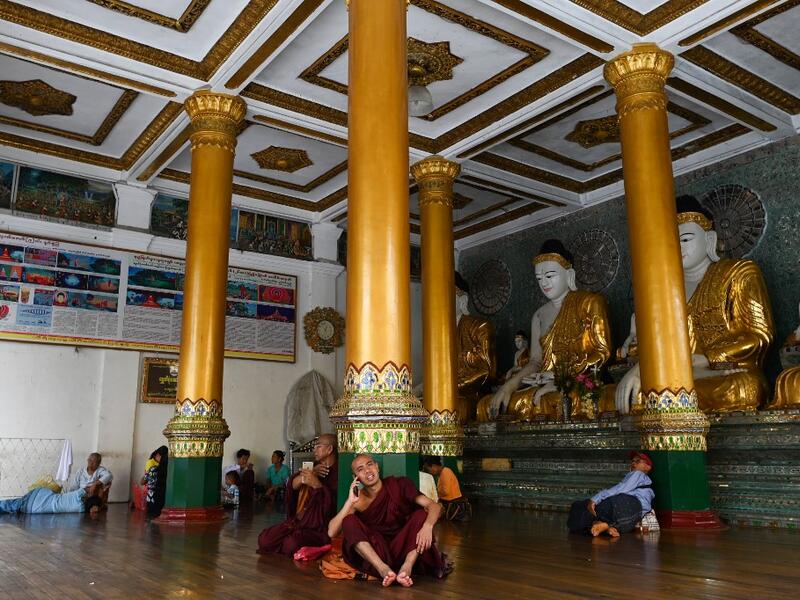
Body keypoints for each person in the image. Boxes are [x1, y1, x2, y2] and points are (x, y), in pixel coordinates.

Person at [328, 454, 448, 588]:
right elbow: (332, 532)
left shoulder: (399, 485)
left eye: (370, 464)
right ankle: (383, 569)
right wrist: (349, 502)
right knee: (348, 521)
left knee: (420, 515)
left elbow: (434, 506)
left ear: (377, 467)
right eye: (360, 469)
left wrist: (428, 526)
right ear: (355, 477)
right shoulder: (358, 501)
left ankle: (406, 568)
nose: (367, 471)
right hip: (379, 552)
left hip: (405, 547)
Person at [257, 433, 339, 556]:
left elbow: (332, 505)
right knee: (265, 539)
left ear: (329, 449)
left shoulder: (338, 473)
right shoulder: (313, 468)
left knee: (291, 544)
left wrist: (317, 485)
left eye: (318, 446)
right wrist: (306, 477)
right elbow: (291, 486)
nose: (314, 450)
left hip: (320, 528)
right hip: (299, 522)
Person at [567, 451, 654, 537]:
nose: (633, 463)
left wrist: (595, 499)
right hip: (616, 509)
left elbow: (621, 489)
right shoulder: (632, 476)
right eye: (632, 461)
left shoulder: (638, 474)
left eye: (638, 461)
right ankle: (603, 526)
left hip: (629, 508)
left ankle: (604, 525)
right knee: (578, 505)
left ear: (648, 467)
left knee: (620, 500)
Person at [0, 481, 104, 515]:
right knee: (13, 506)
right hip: (36, 508)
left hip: (40, 497)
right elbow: (94, 508)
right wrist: (98, 505)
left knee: (13, 504)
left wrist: (99, 488)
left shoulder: (77, 494)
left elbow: (89, 489)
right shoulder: (81, 510)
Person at [421, 456, 470, 522]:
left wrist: (436, 494)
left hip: (453, 505)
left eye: (428, 470)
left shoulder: (445, 472)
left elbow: (445, 491)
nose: (430, 473)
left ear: (434, 466)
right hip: (448, 503)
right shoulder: (441, 474)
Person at [142, 445, 168, 517]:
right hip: (161, 496)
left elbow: (143, 480)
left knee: (151, 514)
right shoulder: (168, 469)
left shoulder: (154, 469)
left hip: (152, 495)